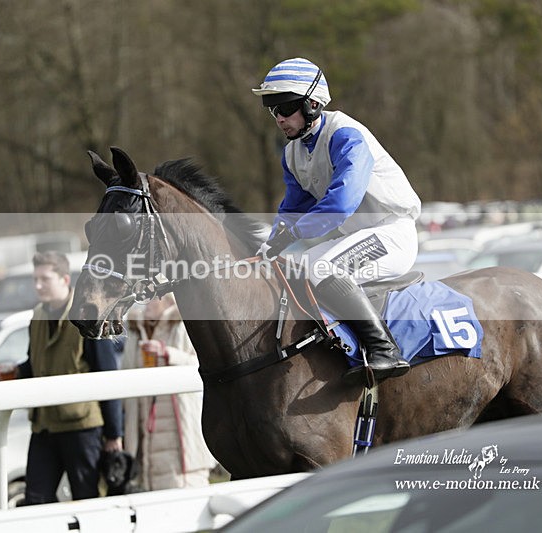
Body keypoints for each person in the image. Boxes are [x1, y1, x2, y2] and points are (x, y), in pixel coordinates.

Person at [252, 57, 422, 385]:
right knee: (296, 267)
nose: (279, 119)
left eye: (285, 108)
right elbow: (292, 210)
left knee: (322, 268)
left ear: (313, 104)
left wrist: (291, 236)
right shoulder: (292, 153)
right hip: (358, 240)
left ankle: (385, 349)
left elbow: (340, 205)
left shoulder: (346, 135)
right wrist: (269, 244)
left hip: (391, 233)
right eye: (272, 111)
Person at [11, 251, 125, 504]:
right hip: (44, 426)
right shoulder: (38, 316)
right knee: (35, 501)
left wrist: (114, 434)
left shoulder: (90, 314)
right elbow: (36, 363)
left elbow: (107, 376)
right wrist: (16, 372)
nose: (38, 285)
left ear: (64, 279)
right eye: (35, 279)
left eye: (44, 278)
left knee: (87, 501)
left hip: (82, 428)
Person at [122, 294, 218, 491]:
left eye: (150, 298)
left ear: (168, 300)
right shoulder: (136, 330)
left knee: (185, 490)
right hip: (147, 426)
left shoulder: (183, 324)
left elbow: (203, 364)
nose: (144, 303)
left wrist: (168, 354)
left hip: (180, 429)